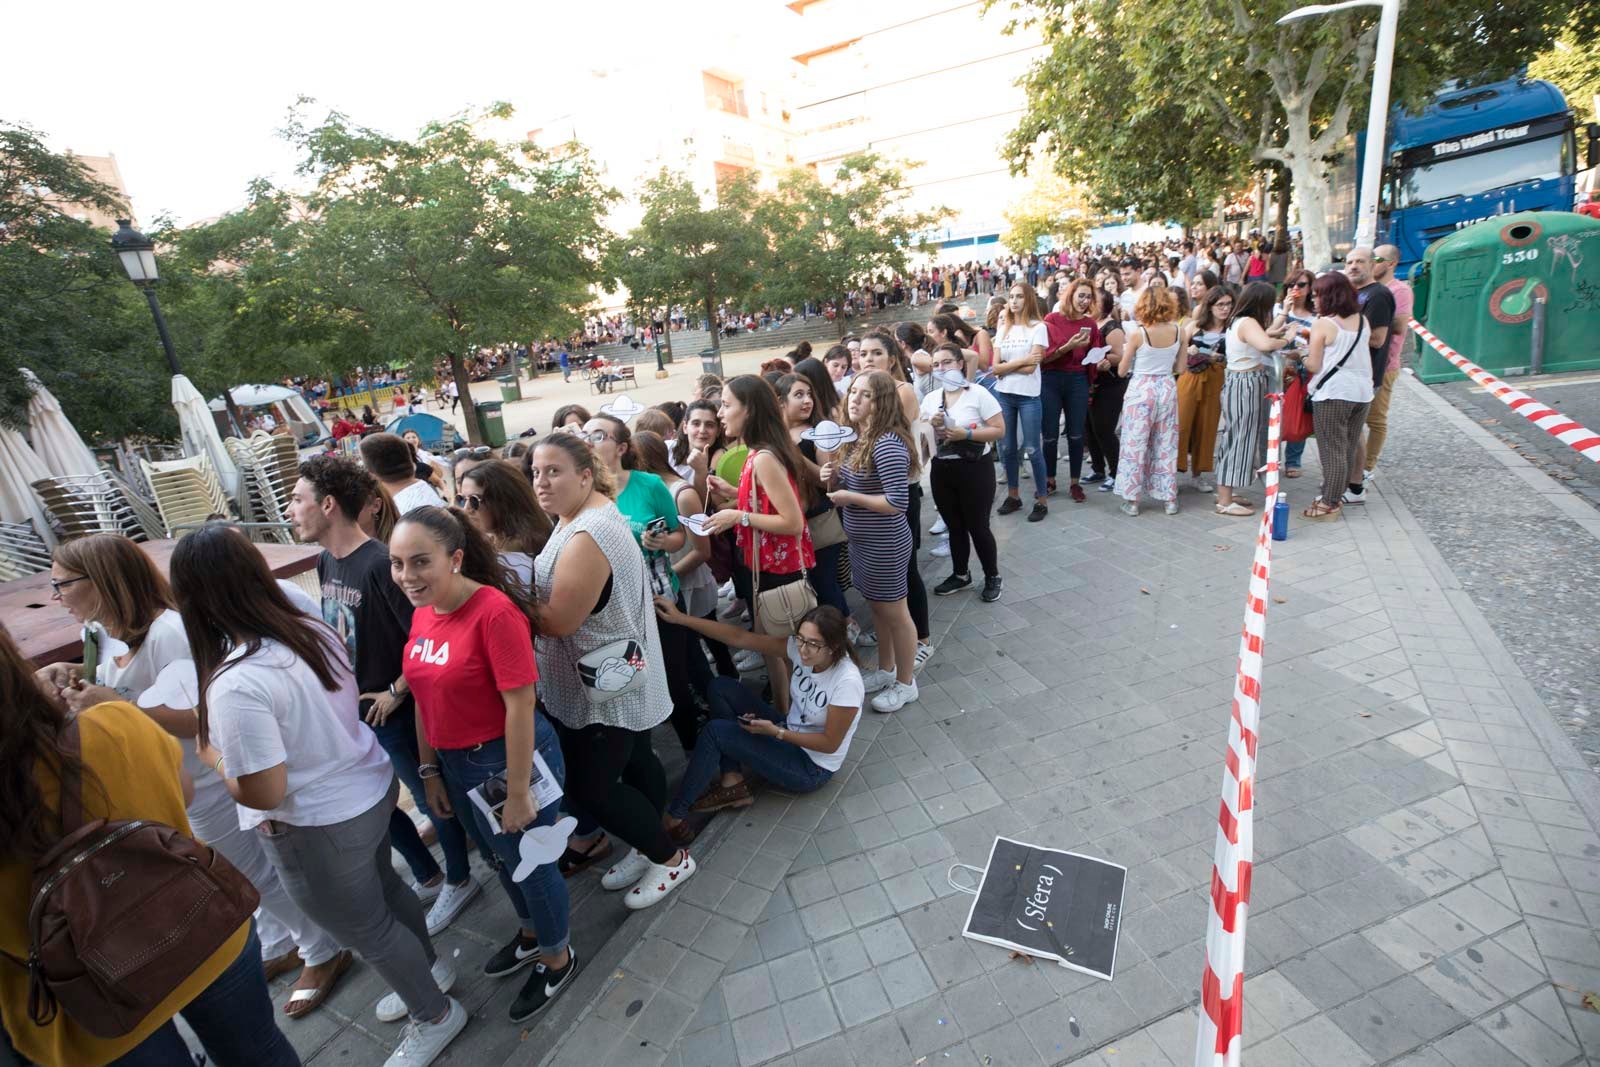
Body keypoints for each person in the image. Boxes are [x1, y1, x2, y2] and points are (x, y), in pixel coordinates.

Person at [170, 525, 468, 1066]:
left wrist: (209, 752)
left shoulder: (236, 682)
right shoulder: (307, 624)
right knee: (386, 895)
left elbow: (264, 791)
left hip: (317, 824)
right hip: (366, 787)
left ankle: (435, 1014)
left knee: (370, 928)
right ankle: (428, 973)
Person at [32, 534, 348, 1024]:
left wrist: (118, 707)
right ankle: (284, 942)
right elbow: (129, 681)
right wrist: (71, 671)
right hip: (174, 782)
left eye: (61, 585)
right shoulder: (106, 632)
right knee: (235, 869)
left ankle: (322, 949)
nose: (56, 597)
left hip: (208, 780)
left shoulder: (168, 633)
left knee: (249, 873)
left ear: (100, 582)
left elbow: (204, 712)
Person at [1, 625, 300, 1067]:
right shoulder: (110, 725)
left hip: (87, 1006)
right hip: (201, 927)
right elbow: (184, 793)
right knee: (261, 1053)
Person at [389, 507, 578, 1023]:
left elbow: (520, 705)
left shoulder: (493, 613)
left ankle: (558, 955)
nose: (407, 576)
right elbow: (426, 696)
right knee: (500, 859)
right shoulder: (423, 610)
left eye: (420, 562)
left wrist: (519, 792)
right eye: (397, 563)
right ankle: (532, 933)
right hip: (457, 765)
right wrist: (430, 771)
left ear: (455, 558)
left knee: (533, 863)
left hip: (504, 760)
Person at [290, 456, 481, 940]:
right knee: (375, 802)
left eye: (298, 499)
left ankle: (459, 878)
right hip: (355, 712)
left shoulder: (379, 564)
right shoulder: (326, 560)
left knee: (431, 796)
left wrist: (396, 692)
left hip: (402, 715)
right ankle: (428, 874)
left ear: (328, 505)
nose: (291, 509)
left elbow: (424, 638)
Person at [527, 433, 697, 908]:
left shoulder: (589, 532)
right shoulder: (579, 517)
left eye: (553, 471)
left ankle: (670, 857)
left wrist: (505, 602)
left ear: (585, 475)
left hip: (604, 682)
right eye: (536, 472)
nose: (541, 482)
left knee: (591, 787)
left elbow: (559, 620)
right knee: (638, 757)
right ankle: (650, 841)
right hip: (614, 671)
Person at [654, 602, 862, 820]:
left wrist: (775, 733)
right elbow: (740, 638)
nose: (802, 649)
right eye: (800, 638)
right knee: (721, 687)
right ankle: (731, 779)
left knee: (716, 732)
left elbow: (830, 744)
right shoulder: (801, 649)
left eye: (813, 644)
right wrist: (681, 619)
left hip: (811, 767)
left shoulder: (847, 681)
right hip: (787, 730)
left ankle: (674, 817)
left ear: (834, 646)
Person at [585, 413, 708, 752]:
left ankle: (695, 751)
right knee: (631, 682)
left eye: (598, 435)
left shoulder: (649, 485)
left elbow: (678, 534)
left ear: (621, 446)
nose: (588, 440)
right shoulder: (585, 494)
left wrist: (663, 542)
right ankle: (644, 754)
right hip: (614, 608)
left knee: (674, 678)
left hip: (659, 599)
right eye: (585, 434)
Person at [704, 376, 818, 707]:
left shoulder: (764, 457)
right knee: (775, 651)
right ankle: (784, 709)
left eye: (726, 405)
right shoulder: (757, 453)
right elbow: (764, 504)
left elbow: (793, 521)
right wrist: (734, 496)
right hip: (766, 566)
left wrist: (737, 516)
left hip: (779, 571)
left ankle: (791, 713)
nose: (721, 414)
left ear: (749, 410)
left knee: (784, 652)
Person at [825, 371, 920, 712]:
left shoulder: (887, 443)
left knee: (896, 613)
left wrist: (849, 495)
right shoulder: (858, 437)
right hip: (863, 543)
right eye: (853, 392)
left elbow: (897, 502)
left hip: (886, 544)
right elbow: (855, 482)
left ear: (882, 402)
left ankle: (906, 684)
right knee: (878, 608)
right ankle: (885, 669)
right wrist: (834, 476)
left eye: (865, 395)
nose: (855, 399)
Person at [857, 331, 934, 667]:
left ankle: (922, 639)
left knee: (906, 568)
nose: (868, 359)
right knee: (885, 577)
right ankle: (892, 633)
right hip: (873, 493)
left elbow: (880, 434)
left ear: (891, 358)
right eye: (863, 353)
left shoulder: (900, 391)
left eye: (876, 353)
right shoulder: (864, 388)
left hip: (899, 490)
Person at [923, 343, 1005, 602]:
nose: (941, 368)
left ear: (960, 364)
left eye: (946, 362)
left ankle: (992, 576)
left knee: (978, 526)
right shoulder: (931, 399)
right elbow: (925, 440)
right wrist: (931, 426)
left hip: (974, 468)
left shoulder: (978, 393)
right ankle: (961, 575)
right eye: (936, 364)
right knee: (954, 526)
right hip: (942, 468)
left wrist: (967, 433)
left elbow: (998, 429)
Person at [1300, 273, 1373, 521]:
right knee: (1349, 446)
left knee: (1332, 449)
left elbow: (1313, 365)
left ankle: (1330, 502)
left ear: (1329, 296)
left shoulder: (1324, 324)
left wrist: (1298, 357)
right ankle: (1337, 493)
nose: (1314, 300)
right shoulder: (1362, 320)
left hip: (1334, 393)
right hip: (1362, 391)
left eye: (1317, 295)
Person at [1214, 283, 1292, 516]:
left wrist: (1284, 315)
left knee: (1237, 437)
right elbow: (1266, 343)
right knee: (1240, 439)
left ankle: (1225, 492)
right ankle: (1225, 501)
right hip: (1245, 383)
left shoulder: (1241, 320)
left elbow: (1264, 335)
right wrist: (1288, 339)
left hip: (1243, 382)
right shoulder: (1247, 322)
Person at [1115, 287, 1184, 516]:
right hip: (1166, 387)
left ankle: (1133, 501)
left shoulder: (1138, 334)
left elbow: (1122, 370)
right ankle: (1169, 500)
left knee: (1134, 445)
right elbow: (1181, 368)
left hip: (1141, 389)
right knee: (1166, 444)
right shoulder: (1180, 332)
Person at [1341, 247, 1396, 506]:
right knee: (1351, 432)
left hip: (1365, 374)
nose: (1353, 266)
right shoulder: (1356, 294)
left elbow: (1377, 339)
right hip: (1350, 374)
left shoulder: (1379, 295)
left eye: (1359, 261)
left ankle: (1355, 485)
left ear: (1372, 264)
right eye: (1349, 261)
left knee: (1355, 432)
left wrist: (1338, 334)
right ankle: (1349, 480)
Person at [991, 283, 1051, 521]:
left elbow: (1030, 369)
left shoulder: (1038, 328)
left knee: (1033, 449)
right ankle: (1013, 496)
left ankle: (1042, 500)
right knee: (1006, 448)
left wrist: (1009, 366)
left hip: (1028, 396)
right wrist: (1021, 360)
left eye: (1019, 297)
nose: (1014, 301)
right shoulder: (1003, 326)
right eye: (1011, 297)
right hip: (1004, 394)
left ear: (1028, 300)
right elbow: (995, 367)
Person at [1041, 279, 1102, 502]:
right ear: (1070, 295)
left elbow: (1094, 353)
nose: (1085, 301)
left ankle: (1075, 483)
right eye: (1081, 295)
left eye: (1089, 297)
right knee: (1049, 435)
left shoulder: (1091, 324)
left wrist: (1099, 359)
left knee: (1076, 434)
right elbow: (1044, 357)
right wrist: (1068, 347)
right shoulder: (1052, 320)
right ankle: (1049, 479)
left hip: (1078, 379)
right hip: (1051, 379)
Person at [456, 460, 551, 588]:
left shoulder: (516, 548)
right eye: (461, 499)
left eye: (474, 500)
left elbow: (514, 602)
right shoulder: (497, 538)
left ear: (501, 501)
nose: (466, 509)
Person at [1177, 286, 1232, 494]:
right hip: (1190, 378)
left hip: (1216, 379)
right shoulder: (1194, 326)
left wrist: (1221, 358)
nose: (1225, 309)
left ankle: (1198, 474)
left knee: (1207, 427)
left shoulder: (1233, 329)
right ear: (1210, 306)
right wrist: (1188, 350)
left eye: (1228, 304)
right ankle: (1172, 473)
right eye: (1220, 304)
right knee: (1181, 426)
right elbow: (1177, 351)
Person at [1364, 243, 1412, 477]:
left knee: (1375, 419)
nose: (1373, 263)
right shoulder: (1367, 287)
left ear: (1392, 263)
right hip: (1361, 363)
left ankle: (1366, 467)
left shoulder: (1399, 290)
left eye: (1378, 259)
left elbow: (1400, 325)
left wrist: (1372, 321)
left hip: (1385, 364)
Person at [1276, 270, 1318, 477]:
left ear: (1310, 288)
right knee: (1274, 413)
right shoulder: (1278, 309)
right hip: (1279, 366)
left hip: (1301, 368)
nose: (1296, 288)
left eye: (1301, 284)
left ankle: (1293, 460)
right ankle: (1272, 458)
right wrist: (1285, 309)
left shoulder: (1316, 315)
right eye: (1292, 284)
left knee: (1298, 414)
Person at [1084, 291, 1128, 492]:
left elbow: (1119, 356)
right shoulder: (1087, 323)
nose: (1088, 303)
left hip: (1109, 384)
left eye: (1094, 301)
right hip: (1088, 383)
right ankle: (1098, 468)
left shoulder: (1112, 327)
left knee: (1104, 429)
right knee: (1088, 428)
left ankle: (1116, 471)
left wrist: (1105, 360)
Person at [362, 433, 447, 514]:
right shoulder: (425, 492)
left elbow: (438, 479)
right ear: (413, 465)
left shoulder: (399, 514)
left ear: (371, 475)